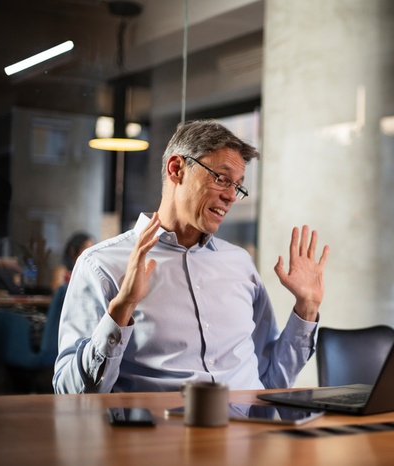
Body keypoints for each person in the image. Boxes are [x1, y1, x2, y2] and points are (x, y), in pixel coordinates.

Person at [53, 120, 329, 393]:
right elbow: (70, 394)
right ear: (176, 169)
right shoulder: (101, 265)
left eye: (238, 186)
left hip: (249, 432)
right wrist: (121, 309)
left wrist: (306, 308)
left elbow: (271, 381)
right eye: (222, 178)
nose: (231, 196)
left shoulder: (240, 263)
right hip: (163, 433)